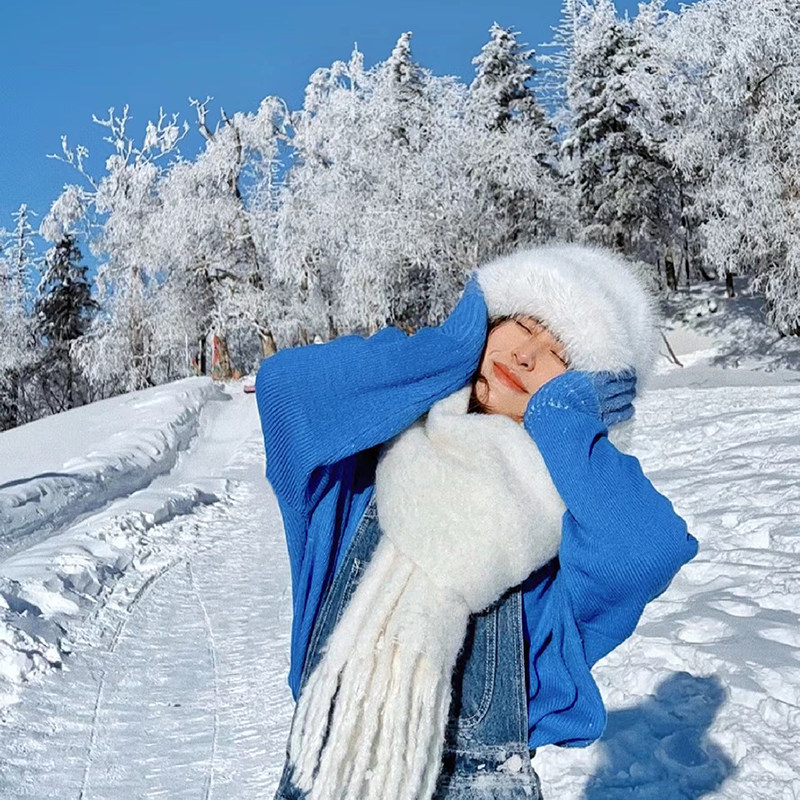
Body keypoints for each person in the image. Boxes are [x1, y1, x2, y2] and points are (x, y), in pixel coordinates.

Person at [255, 242, 699, 800]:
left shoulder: (561, 538)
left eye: (562, 356)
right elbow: (286, 388)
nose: (526, 357)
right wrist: (451, 347)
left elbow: (646, 548)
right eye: (521, 324)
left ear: (585, 394)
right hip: (325, 775)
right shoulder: (354, 478)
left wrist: (565, 420)